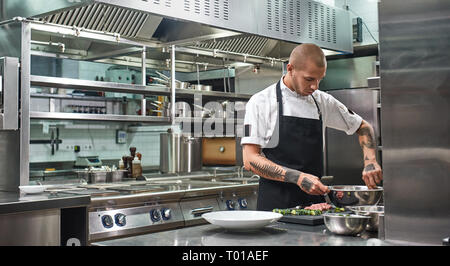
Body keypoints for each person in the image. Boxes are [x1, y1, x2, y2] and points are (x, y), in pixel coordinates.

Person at [241, 43, 383, 211]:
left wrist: (370, 161)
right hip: (276, 206)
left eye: (319, 79)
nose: (315, 86)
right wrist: (298, 177)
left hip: (314, 205)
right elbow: (250, 160)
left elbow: (363, 127)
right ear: (290, 69)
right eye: (309, 79)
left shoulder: (321, 101)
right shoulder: (261, 102)